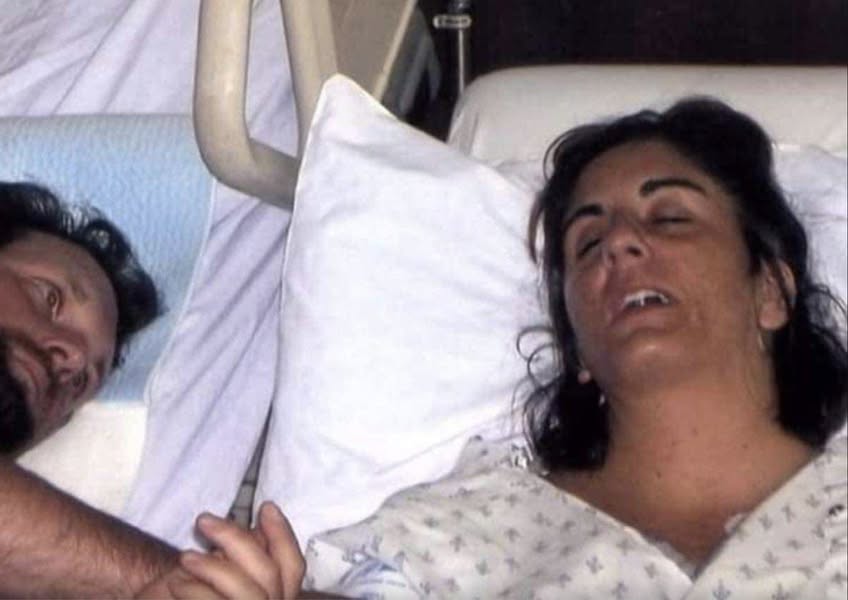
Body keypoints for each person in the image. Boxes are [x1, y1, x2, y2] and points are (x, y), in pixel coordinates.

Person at [159, 97, 847, 599]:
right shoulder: (461, 531)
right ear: (578, 351)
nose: (620, 243)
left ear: (772, 291)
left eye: (669, 217)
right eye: (587, 243)